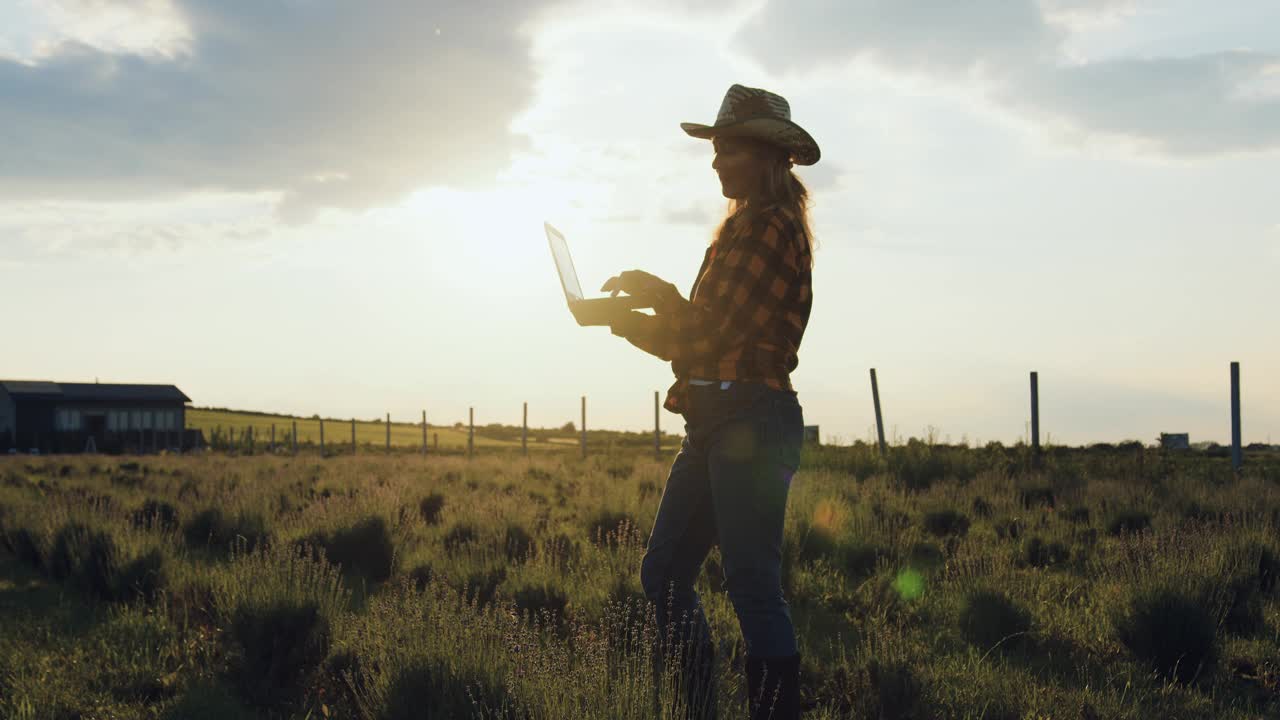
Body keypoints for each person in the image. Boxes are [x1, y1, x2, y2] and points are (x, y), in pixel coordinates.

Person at [600, 83, 818, 720]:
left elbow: (708, 335)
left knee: (752, 587)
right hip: (720, 419)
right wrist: (660, 292)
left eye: (726, 149)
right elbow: (710, 325)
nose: (716, 162)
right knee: (665, 575)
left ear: (763, 156)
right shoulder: (745, 228)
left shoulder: (770, 230)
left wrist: (623, 321)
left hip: (750, 417)